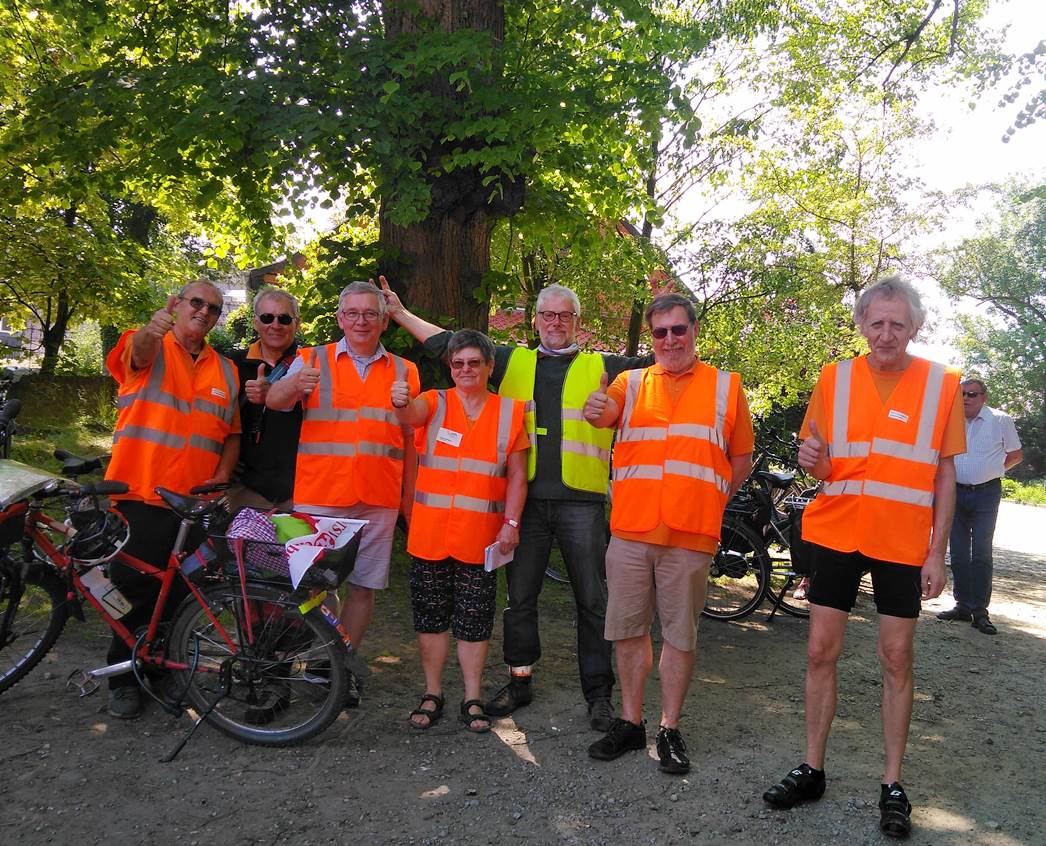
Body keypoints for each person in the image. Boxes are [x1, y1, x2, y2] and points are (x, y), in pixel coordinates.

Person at [381, 278, 653, 731]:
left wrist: (678, 337)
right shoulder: (510, 360)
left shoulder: (605, 366)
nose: (556, 323)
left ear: (577, 322)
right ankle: (520, 679)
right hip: (524, 502)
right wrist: (399, 314)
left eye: (565, 316)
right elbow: (448, 344)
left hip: (581, 504)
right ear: (536, 321)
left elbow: (659, 364)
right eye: (547, 315)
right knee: (520, 598)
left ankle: (599, 693)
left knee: (593, 601)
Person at [762, 276, 966, 839]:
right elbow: (821, 463)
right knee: (820, 651)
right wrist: (811, 461)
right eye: (876, 323)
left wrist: (938, 553)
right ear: (861, 324)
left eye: (897, 323)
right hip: (837, 533)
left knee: (896, 660)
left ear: (916, 325)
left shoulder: (942, 384)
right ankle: (812, 768)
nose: (886, 334)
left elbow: (945, 474)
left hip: (902, 542)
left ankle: (893, 784)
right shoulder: (836, 377)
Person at [582, 292, 754, 775]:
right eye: (660, 332)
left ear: (694, 330)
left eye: (679, 330)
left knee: (680, 635)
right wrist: (596, 408)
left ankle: (669, 728)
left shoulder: (726, 386)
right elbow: (604, 413)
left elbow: (740, 458)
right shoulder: (628, 383)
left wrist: (711, 498)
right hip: (633, 531)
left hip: (691, 533)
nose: (670, 339)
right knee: (628, 631)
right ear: (653, 338)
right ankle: (631, 724)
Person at [266, 280, 419, 707]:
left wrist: (409, 502)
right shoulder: (310, 359)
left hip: (378, 497)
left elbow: (411, 441)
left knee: (363, 588)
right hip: (319, 494)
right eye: (352, 313)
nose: (361, 321)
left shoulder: (406, 370)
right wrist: (296, 385)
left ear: (384, 321)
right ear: (339, 318)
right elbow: (275, 402)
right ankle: (274, 668)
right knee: (303, 587)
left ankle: (331, 667)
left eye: (370, 313)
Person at [103, 280, 241, 719]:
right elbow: (138, 355)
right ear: (177, 305)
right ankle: (122, 678)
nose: (204, 312)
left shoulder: (226, 370)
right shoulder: (146, 343)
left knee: (180, 595)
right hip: (139, 493)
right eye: (195, 303)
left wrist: (221, 476)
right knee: (130, 592)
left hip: (193, 505)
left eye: (213, 308)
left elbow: (232, 432)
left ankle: (160, 670)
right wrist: (152, 327)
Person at [391, 330, 529, 733]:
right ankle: (432, 692)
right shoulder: (433, 402)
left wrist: (512, 524)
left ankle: (472, 696)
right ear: (449, 368)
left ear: (489, 366)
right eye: (457, 363)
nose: (465, 369)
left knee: (474, 620)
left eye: (473, 362)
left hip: (481, 536)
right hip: (429, 534)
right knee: (430, 619)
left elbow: (518, 478)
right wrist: (398, 400)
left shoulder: (510, 412)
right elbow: (408, 414)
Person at [937, 378, 1023, 635]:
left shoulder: (1000, 420)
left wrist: (995, 470)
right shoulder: (951, 420)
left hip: (986, 493)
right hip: (955, 493)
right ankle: (962, 605)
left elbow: (1016, 454)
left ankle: (980, 612)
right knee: (959, 552)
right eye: (961, 394)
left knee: (982, 553)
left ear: (984, 397)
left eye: (972, 394)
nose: (966, 398)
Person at [227, 287, 303, 512]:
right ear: (255, 322)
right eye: (267, 317)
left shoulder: (312, 364)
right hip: (246, 490)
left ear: (297, 323)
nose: (275, 325)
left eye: (284, 318)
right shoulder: (231, 365)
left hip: (300, 492)